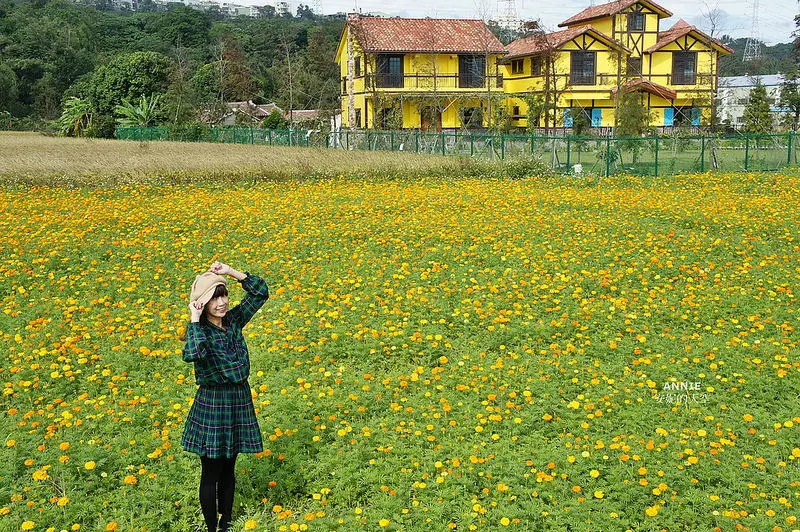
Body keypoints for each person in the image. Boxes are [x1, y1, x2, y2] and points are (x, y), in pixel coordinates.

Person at [180, 261, 270, 532]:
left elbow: (260, 293)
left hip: (237, 401)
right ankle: (210, 529)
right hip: (213, 404)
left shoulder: (233, 321)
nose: (221, 302)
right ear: (202, 303)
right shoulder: (200, 331)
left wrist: (231, 273)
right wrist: (195, 320)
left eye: (223, 295)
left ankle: (226, 523)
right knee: (211, 472)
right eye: (213, 298)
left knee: (229, 467)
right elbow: (192, 354)